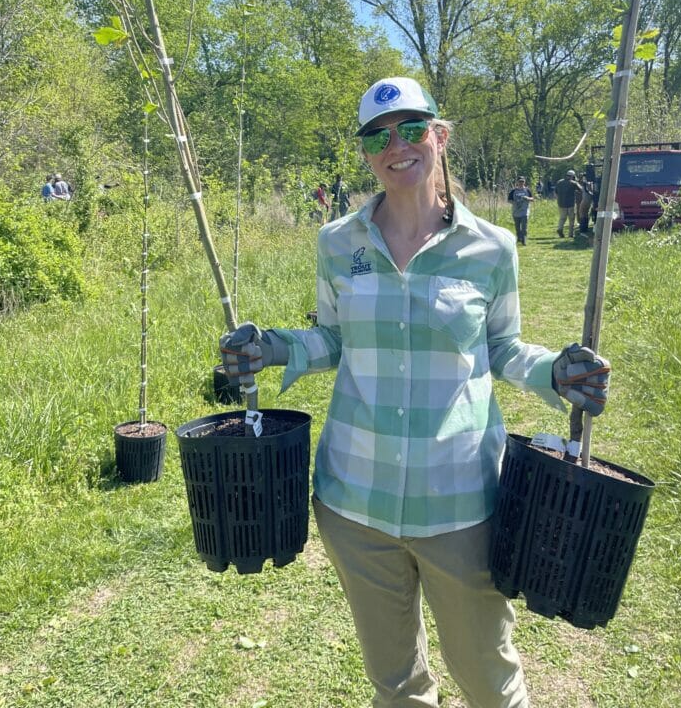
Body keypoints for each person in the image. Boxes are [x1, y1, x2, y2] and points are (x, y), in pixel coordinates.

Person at [220, 76, 610, 708]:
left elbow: (504, 349)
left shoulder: (491, 247)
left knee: (488, 677)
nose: (394, 145)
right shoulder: (336, 244)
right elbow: (334, 339)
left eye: (410, 128)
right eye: (377, 134)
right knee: (395, 683)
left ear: (440, 136)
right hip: (355, 501)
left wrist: (558, 373)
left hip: (460, 502)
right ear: (366, 150)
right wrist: (272, 347)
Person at [554, 169, 581, 238]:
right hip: (571, 204)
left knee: (562, 218)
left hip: (561, 203)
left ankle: (560, 228)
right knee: (571, 219)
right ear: (572, 176)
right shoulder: (573, 183)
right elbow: (581, 189)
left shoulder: (559, 182)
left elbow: (556, 192)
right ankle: (571, 234)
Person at [507, 176, 533, 245]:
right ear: (517, 182)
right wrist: (515, 202)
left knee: (524, 227)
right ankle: (519, 237)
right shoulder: (513, 191)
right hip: (516, 212)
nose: (521, 183)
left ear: (524, 182)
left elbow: (532, 199)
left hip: (525, 211)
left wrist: (527, 198)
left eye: (522, 181)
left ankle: (524, 239)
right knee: (517, 227)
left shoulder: (527, 190)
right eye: (520, 181)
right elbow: (509, 200)